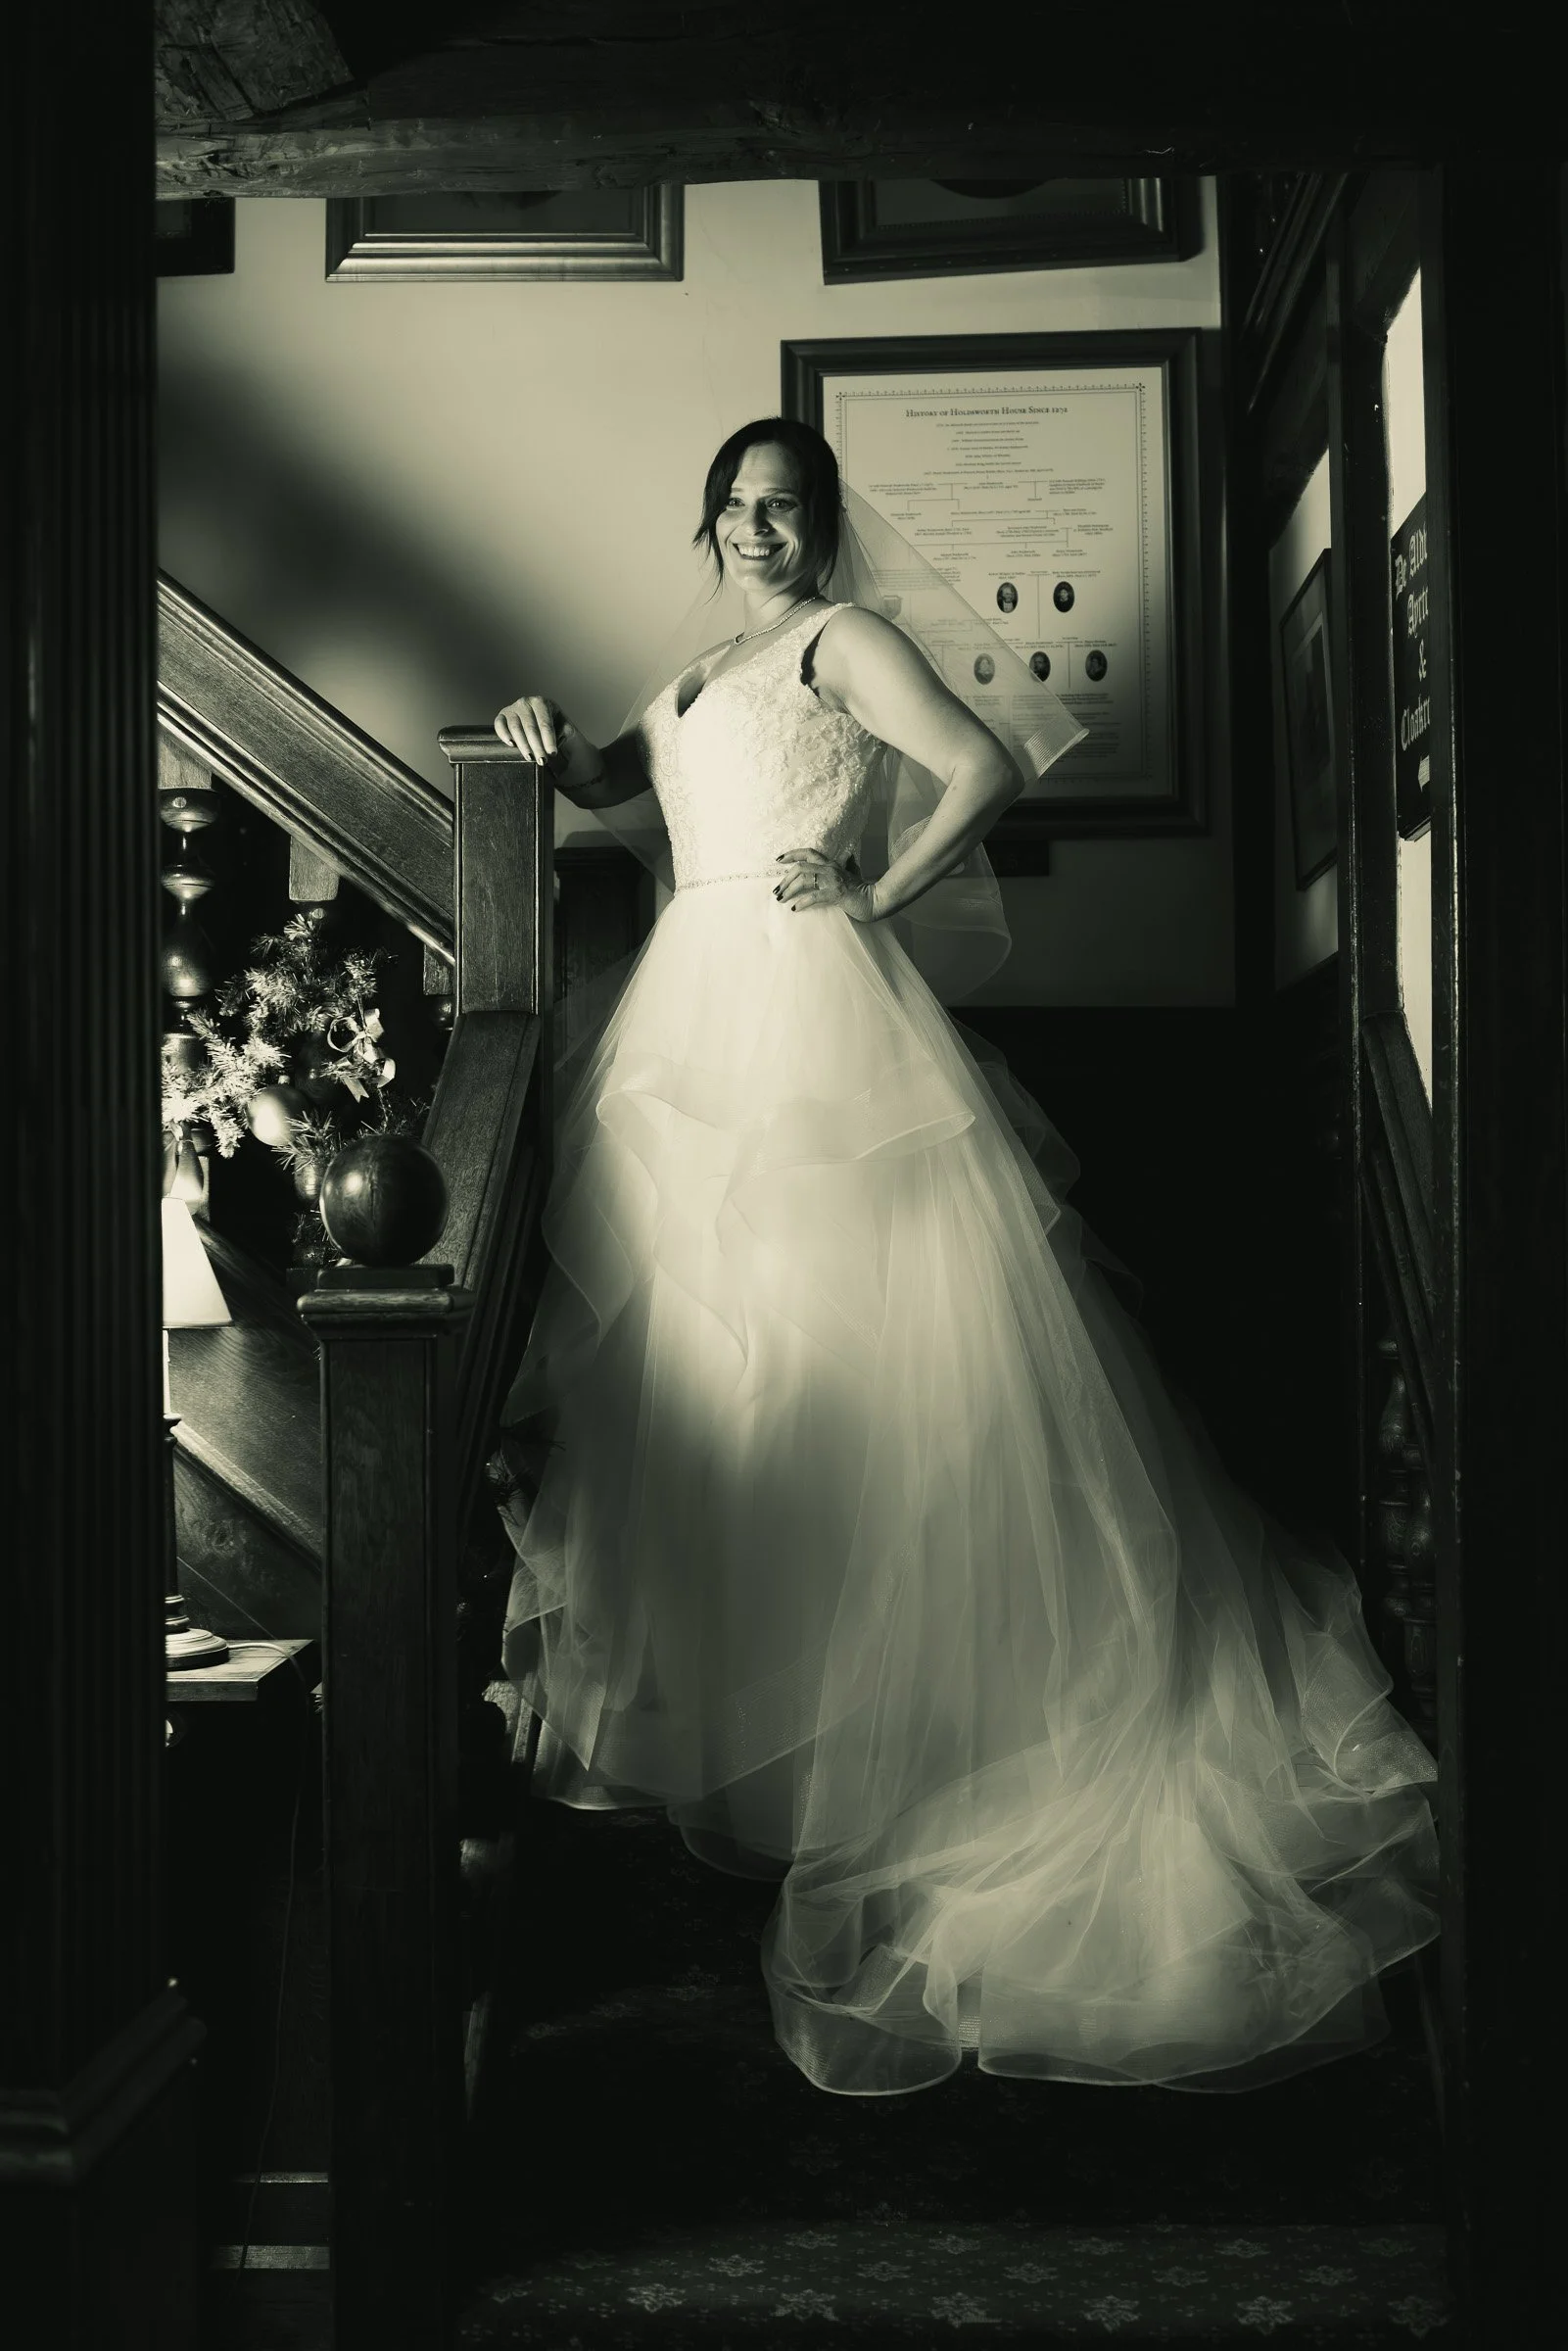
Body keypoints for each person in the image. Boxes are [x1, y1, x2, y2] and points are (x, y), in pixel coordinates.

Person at [491, 416, 1439, 2099]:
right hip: (688, 1032)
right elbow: (615, 789)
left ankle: (927, 1764)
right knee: (735, 1380)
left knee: (871, 1367)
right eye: (738, 505)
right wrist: (545, 744)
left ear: (827, 526)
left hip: (805, 1019)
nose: (762, 526)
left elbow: (988, 762)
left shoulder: (846, 641)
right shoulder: (700, 664)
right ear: (708, 523)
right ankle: (809, 1761)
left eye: (790, 506)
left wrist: (870, 892)